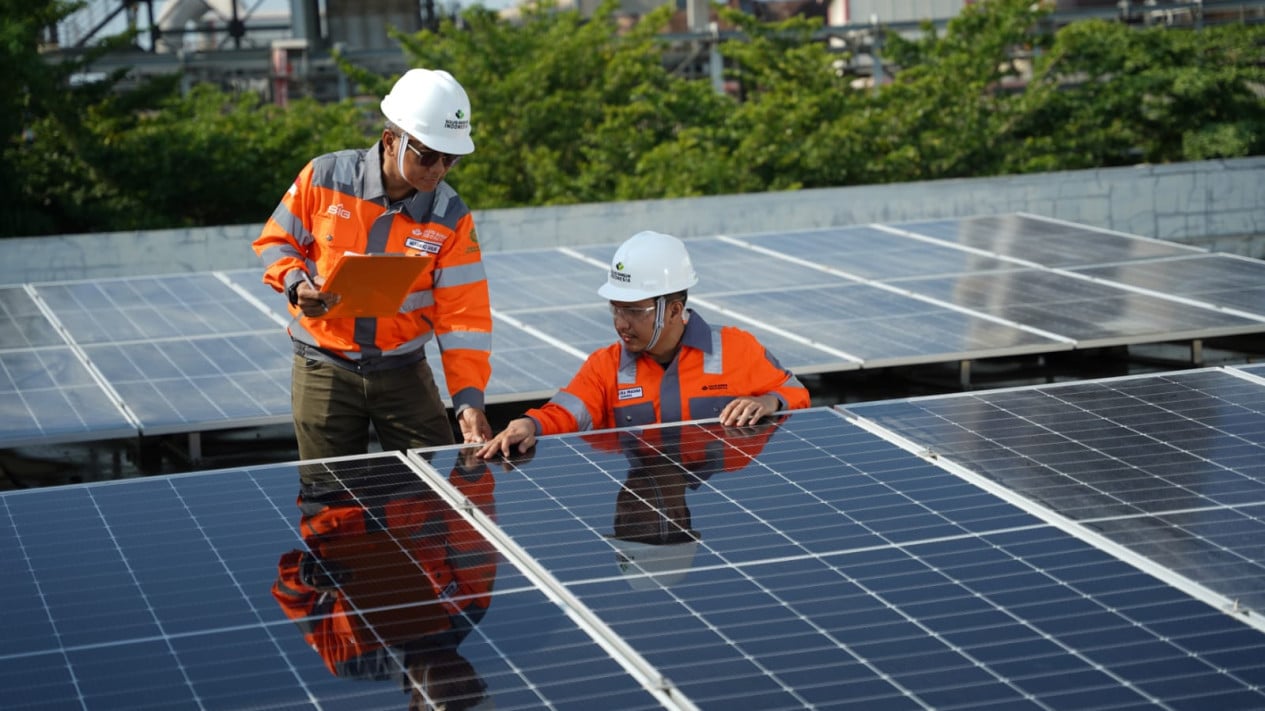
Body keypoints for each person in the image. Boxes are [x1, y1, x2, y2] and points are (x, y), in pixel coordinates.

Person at [253, 68, 493, 462]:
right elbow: (276, 240)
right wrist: (297, 285)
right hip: (324, 367)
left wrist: (468, 401)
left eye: (450, 159)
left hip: (404, 371)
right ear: (390, 140)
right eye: (428, 155)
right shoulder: (324, 177)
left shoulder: (450, 215)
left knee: (431, 502)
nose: (438, 169)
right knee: (329, 500)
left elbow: (464, 316)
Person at [477, 230, 810, 459]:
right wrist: (529, 424)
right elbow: (565, 413)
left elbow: (797, 393)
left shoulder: (738, 349)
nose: (621, 323)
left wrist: (770, 402)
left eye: (634, 311)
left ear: (676, 310)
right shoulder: (604, 366)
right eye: (616, 309)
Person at [271, 450, 498, 710]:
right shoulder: (470, 607)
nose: (461, 679)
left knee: (322, 414)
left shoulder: (349, 659)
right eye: (473, 686)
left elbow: (289, 595)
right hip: (404, 473)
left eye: (450, 695)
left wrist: (306, 573)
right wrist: (471, 472)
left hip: (329, 490)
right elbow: (472, 530)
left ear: (417, 705)